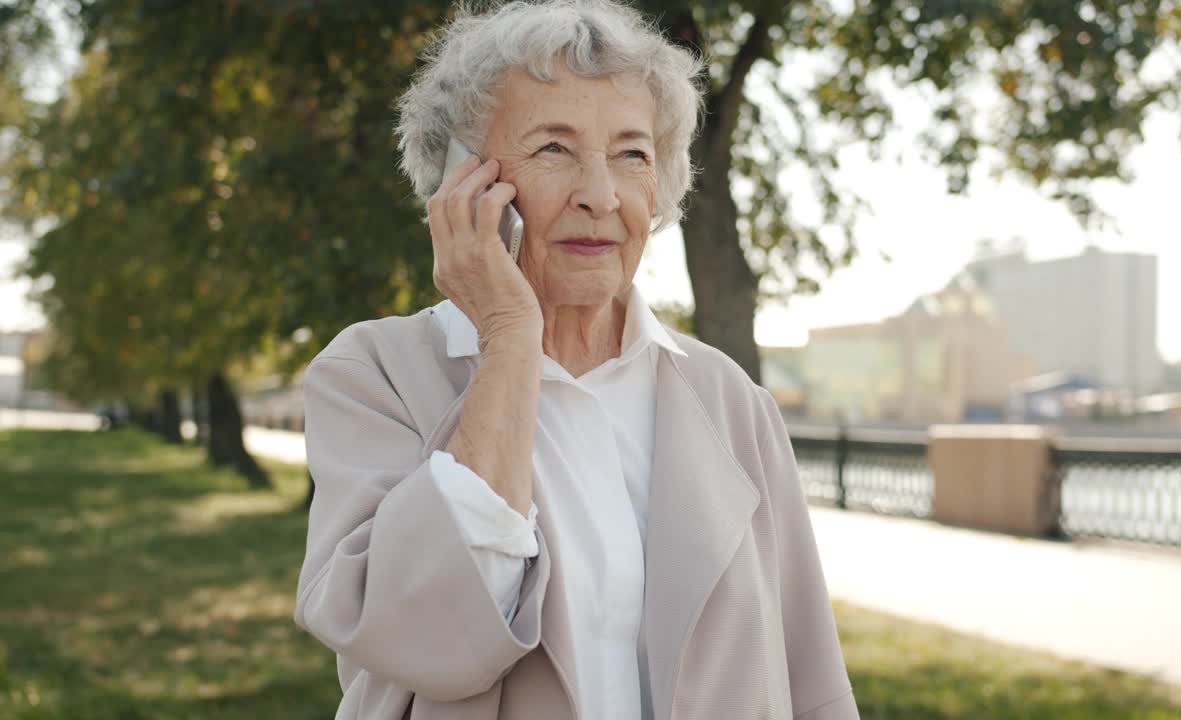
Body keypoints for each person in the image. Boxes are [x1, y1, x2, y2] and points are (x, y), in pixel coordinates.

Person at [294, 1, 859, 718]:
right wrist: (507, 336)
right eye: (554, 149)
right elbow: (417, 636)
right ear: (464, 185)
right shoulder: (374, 374)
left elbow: (811, 678)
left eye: (632, 154)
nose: (600, 196)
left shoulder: (731, 400)